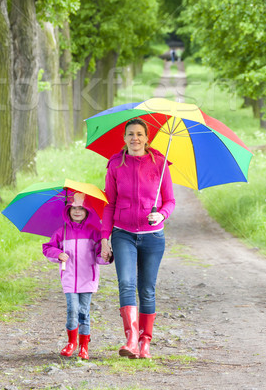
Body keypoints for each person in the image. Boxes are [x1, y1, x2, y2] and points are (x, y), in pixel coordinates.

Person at [101, 118, 175, 359]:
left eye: (140, 134)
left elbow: (170, 201)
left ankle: (145, 342)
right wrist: (105, 238)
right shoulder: (115, 165)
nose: (135, 138)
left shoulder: (160, 164)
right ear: (124, 138)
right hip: (123, 233)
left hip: (152, 236)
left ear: (147, 138)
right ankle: (131, 339)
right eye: (130, 134)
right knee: (126, 283)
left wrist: (160, 214)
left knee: (146, 289)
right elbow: (109, 203)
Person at [42, 192, 108, 360]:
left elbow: (101, 255)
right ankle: (72, 342)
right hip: (69, 278)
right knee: (72, 310)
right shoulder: (61, 232)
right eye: (73, 208)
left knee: (84, 311)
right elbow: (48, 247)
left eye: (81, 208)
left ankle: (84, 346)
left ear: (87, 212)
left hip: (88, 278)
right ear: (68, 210)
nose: (77, 212)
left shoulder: (94, 232)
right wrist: (58, 254)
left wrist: (106, 256)